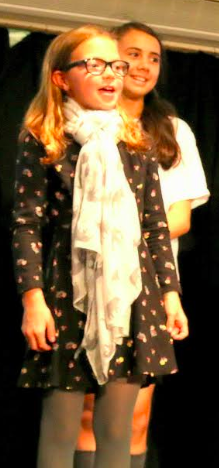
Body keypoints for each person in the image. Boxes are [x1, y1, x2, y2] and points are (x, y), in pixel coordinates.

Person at [12, 24, 187, 468]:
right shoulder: (45, 138)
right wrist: (33, 300)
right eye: (94, 64)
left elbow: (154, 226)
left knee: (116, 431)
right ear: (61, 78)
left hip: (130, 296)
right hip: (67, 293)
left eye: (116, 65)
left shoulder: (136, 142)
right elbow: (27, 224)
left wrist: (170, 295)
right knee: (61, 429)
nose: (110, 74)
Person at [73, 21, 210, 468]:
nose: (143, 66)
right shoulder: (84, 124)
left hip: (149, 282)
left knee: (135, 415)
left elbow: (180, 218)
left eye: (154, 58)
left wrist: (127, 236)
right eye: (133, 54)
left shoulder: (172, 130)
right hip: (90, 278)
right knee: (87, 412)